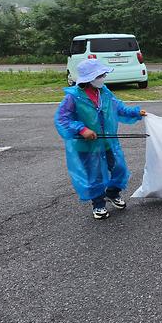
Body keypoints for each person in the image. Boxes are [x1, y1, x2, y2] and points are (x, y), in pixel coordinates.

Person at [54, 59, 147, 220]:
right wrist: (81, 129)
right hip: (86, 145)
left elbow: (118, 107)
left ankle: (112, 193)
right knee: (95, 175)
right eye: (100, 74)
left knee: (119, 168)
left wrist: (135, 112)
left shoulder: (104, 92)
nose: (103, 77)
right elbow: (63, 119)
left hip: (106, 141)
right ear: (89, 78)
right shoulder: (73, 97)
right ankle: (98, 204)